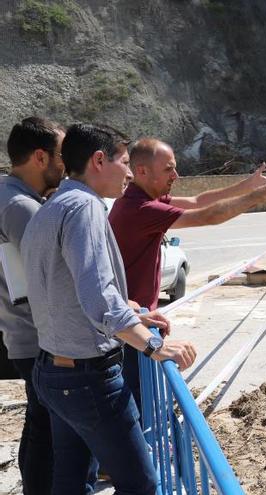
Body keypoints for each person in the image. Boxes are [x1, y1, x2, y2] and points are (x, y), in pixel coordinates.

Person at [21, 123, 197, 495]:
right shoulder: (85, 207)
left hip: (52, 371)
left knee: (70, 482)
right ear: (99, 161)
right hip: (87, 379)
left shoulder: (53, 206)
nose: (130, 173)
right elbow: (99, 299)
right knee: (140, 484)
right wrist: (153, 346)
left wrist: (132, 310)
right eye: (124, 162)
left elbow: (65, 288)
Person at [109, 138, 266, 407]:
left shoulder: (140, 198)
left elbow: (196, 200)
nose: (175, 176)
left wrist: (246, 186)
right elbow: (206, 215)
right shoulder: (140, 208)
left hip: (136, 320)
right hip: (131, 328)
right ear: (141, 171)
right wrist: (259, 196)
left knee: (141, 402)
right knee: (139, 406)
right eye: (168, 169)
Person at [0, 117, 66, 495]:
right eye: (61, 155)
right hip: (38, 338)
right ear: (41, 157)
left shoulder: (12, 196)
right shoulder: (20, 206)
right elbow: (55, 272)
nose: (66, 164)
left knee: (41, 424)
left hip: (25, 336)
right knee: (50, 430)